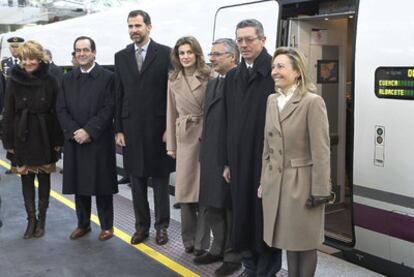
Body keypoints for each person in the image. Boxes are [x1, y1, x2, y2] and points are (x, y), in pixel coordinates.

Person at [258, 47, 331, 277]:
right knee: (289, 239)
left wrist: (321, 190)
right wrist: (263, 181)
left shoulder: (312, 102)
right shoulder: (272, 100)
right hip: (276, 183)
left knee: (305, 243)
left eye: (281, 66)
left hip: (302, 184)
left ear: (297, 71)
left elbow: (321, 151)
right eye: (273, 67)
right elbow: (267, 147)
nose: (274, 72)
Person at [221, 19, 281, 276]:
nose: (243, 45)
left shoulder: (275, 74)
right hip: (238, 159)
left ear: (263, 40)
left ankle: (267, 270)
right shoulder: (233, 76)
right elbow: (226, 120)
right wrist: (226, 161)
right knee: (242, 213)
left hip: (265, 159)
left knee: (265, 217)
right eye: (239, 40)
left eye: (249, 39)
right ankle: (249, 265)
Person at [114, 10, 175, 246]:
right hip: (130, 129)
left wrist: (169, 127)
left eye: (138, 26)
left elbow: (172, 95)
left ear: (149, 27)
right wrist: (118, 129)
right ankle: (142, 227)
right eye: (130, 26)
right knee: (136, 181)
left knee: (160, 181)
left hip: (159, 129)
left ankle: (162, 227)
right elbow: (119, 94)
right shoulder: (121, 57)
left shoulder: (166, 54)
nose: (133, 30)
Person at [57, 36, 118, 241]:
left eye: (85, 50)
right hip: (75, 140)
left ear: (94, 52)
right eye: (78, 50)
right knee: (79, 184)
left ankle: (107, 226)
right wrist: (75, 131)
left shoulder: (108, 77)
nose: (81, 54)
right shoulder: (67, 78)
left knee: (102, 185)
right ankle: (83, 224)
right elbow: (61, 108)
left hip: (98, 139)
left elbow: (109, 108)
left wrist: (89, 131)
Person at [2, 40, 63, 239]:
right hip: (22, 134)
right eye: (24, 58)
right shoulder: (13, 80)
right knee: (26, 178)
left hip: (45, 133)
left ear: (40, 59)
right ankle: (31, 221)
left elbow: (56, 112)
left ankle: (42, 220)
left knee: (44, 178)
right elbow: (9, 112)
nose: (27, 62)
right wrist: (8, 143)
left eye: (32, 58)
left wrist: (57, 140)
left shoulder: (51, 80)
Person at [197, 38, 242, 276]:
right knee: (213, 205)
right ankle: (217, 248)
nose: (211, 58)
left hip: (227, 156)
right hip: (211, 154)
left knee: (230, 209)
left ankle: (233, 256)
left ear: (232, 57)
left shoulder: (238, 83)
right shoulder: (214, 83)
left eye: (217, 54)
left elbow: (236, 124)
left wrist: (229, 160)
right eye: (211, 53)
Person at [166, 36, 211, 255]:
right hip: (184, 138)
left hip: (205, 135)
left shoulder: (208, 76)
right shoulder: (173, 79)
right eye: (181, 53)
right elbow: (170, 113)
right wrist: (171, 145)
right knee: (184, 194)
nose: (185, 56)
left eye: (189, 52)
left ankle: (203, 242)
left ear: (197, 54)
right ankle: (188, 240)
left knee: (204, 194)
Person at [1, 36, 25, 175]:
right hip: (9, 105)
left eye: (17, 46)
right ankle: (13, 164)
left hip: (23, 105)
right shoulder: (4, 63)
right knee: (9, 134)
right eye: (12, 47)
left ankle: (23, 162)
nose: (14, 49)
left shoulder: (27, 62)